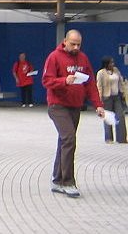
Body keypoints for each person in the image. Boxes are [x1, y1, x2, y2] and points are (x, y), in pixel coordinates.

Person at [42, 29, 104, 198]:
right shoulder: (54, 57)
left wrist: (98, 105)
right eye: (73, 44)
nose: (76, 47)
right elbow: (46, 81)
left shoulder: (83, 58)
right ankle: (68, 182)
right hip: (57, 106)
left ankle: (57, 180)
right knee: (69, 138)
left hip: (75, 106)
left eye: (79, 44)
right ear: (65, 41)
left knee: (64, 141)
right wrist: (64, 80)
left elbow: (90, 83)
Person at [96, 57, 126, 144]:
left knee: (120, 116)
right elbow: (99, 86)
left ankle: (121, 138)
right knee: (108, 117)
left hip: (116, 96)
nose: (112, 64)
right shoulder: (101, 73)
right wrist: (99, 99)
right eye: (110, 63)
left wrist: (123, 92)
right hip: (106, 97)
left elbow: (120, 81)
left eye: (113, 62)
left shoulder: (116, 70)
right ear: (106, 64)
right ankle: (108, 138)